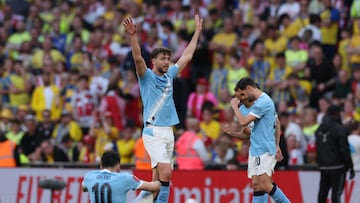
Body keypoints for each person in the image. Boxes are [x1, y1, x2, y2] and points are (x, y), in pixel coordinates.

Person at [123, 13, 202, 203]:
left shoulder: (170, 75)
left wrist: (197, 32)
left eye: (168, 58)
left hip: (168, 131)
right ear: (154, 62)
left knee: (157, 180)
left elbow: (187, 55)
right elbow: (138, 59)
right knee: (166, 173)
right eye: (163, 58)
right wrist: (133, 36)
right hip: (153, 131)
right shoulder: (146, 76)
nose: (167, 61)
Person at [228, 77, 290, 203]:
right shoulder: (249, 106)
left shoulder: (264, 102)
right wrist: (234, 133)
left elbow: (275, 123)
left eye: (242, 94)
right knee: (256, 185)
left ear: (249, 89)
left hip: (266, 149)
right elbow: (248, 130)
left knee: (265, 184)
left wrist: (234, 106)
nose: (241, 98)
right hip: (255, 150)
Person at [82, 150, 161, 203]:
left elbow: (84, 188)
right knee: (149, 191)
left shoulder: (89, 176)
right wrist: (159, 182)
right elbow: (154, 187)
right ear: (118, 166)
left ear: (101, 166)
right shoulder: (125, 178)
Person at [315, 105, 355, 203]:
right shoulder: (339, 129)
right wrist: (350, 166)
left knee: (322, 195)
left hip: (324, 167)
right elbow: (344, 150)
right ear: (337, 114)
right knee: (336, 196)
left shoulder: (319, 129)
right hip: (338, 167)